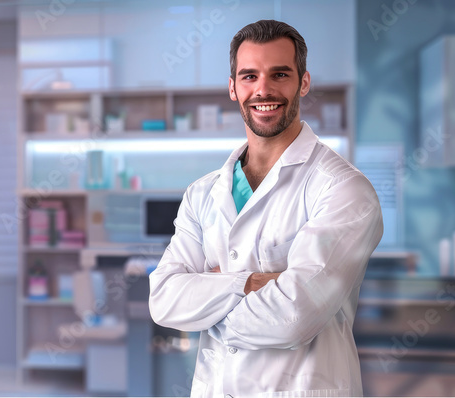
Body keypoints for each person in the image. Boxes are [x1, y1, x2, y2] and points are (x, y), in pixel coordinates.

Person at [148, 20, 383, 397]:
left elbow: (293, 317)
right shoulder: (202, 193)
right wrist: (253, 282)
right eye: (249, 76)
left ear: (303, 82)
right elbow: (163, 301)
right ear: (232, 88)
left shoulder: (343, 188)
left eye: (279, 74)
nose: (263, 89)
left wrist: (207, 298)